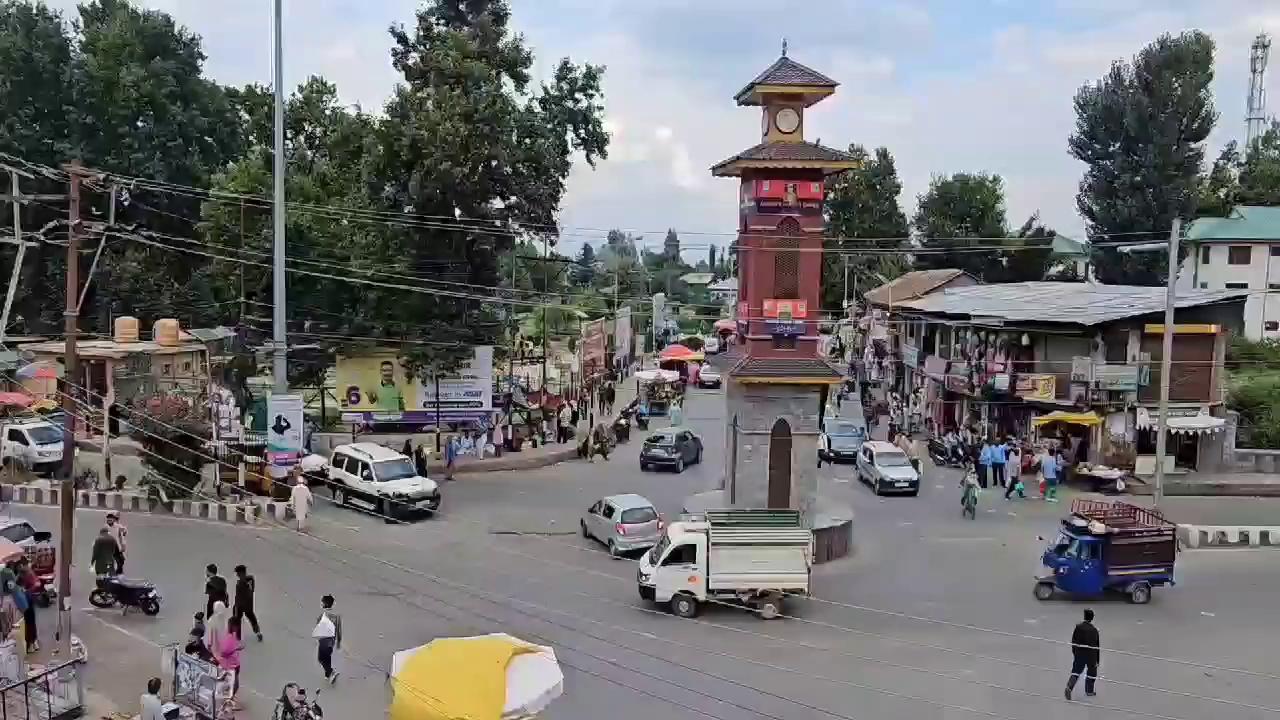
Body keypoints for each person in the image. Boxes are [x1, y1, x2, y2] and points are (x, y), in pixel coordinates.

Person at [1065, 608, 1101, 700]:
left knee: (1076, 671)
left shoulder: (1078, 627)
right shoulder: (1094, 630)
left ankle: (1069, 687)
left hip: (1079, 653)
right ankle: (1089, 691)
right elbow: (1096, 646)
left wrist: (1075, 652)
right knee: (1091, 673)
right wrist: (1097, 659)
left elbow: (1074, 641)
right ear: (1092, 618)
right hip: (1091, 655)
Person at [217, 616, 245, 708]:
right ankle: (228, 702)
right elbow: (224, 651)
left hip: (232, 663)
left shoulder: (231, 635)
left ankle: (228, 699)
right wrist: (236, 648)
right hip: (231, 665)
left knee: (232, 683)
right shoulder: (229, 637)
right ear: (234, 626)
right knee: (235, 684)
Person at [314, 594, 342, 684]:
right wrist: (338, 642)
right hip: (331, 641)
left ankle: (330, 672)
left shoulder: (321, 616)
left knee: (321, 659)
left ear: (324, 604)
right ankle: (327, 673)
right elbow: (338, 630)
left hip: (324, 641)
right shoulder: (336, 616)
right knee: (327, 658)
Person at [233, 564, 263, 641]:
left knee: (251, 617)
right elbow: (238, 595)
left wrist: (244, 583)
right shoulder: (242, 582)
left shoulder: (248, 581)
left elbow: (250, 590)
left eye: (238, 573)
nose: (237, 575)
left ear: (243, 572)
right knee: (238, 619)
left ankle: (258, 632)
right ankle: (237, 635)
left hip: (246, 604)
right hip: (240, 604)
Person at [15, 560, 38, 652]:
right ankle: (32, 642)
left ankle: (32, 642)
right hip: (24, 600)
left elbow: (34, 583)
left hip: (26, 600)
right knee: (29, 622)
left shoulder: (25, 572)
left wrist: (26, 590)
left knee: (29, 621)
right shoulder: (21, 573)